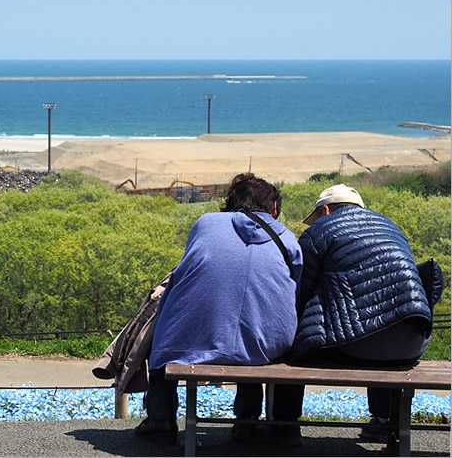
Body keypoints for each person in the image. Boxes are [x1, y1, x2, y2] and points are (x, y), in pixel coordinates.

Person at [135, 173, 303, 446]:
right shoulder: (289, 240)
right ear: (274, 209)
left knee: (164, 340)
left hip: (198, 341)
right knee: (252, 326)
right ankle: (246, 421)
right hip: (268, 345)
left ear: (231, 203)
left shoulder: (207, 223)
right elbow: (295, 290)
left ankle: (161, 421)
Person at [266, 184, 442, 446]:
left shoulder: (319, 232)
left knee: (294, 347)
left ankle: (284, 427)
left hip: (357, 346)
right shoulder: (391, 227)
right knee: (381, 322)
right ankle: (385, 423)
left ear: (325, 210)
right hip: (411, 343)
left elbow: (299, 294)